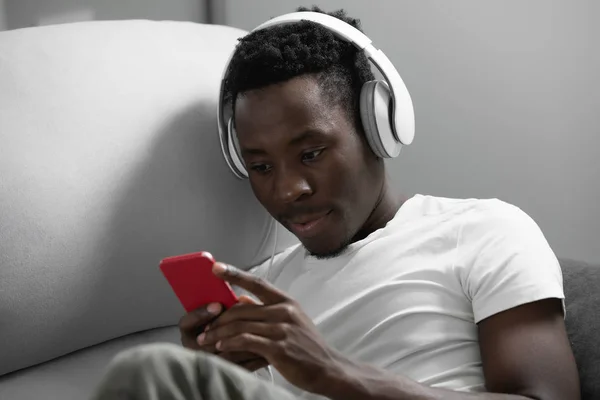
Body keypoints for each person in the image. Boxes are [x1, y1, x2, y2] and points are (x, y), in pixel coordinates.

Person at [91, 6, 580, 400]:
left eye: (311, 154)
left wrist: (336, 374)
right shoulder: (261, 293)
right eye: (260, 166)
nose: (286, 191)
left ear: (379, 127)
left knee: (147, 370)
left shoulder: (486, 230)